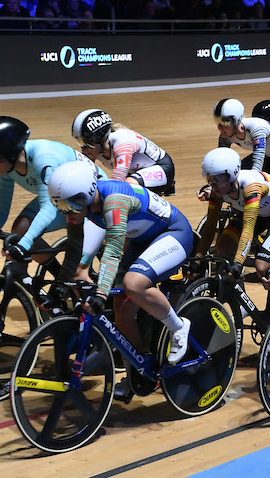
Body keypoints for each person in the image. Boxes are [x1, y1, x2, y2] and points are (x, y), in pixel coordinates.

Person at [48, 159, 195, 386]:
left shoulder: (115, 200)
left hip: (174, 233)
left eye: (69, 206)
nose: (67, 213)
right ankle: (138, 372)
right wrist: (58, 290)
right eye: (60, 206)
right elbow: (74, 252)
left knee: (133, 284)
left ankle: (179, 326)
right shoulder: (80, 205)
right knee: (122, 309)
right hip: (142, 239)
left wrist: (101, 294)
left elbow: (113, 252)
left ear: (86, 196)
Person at [0, 115, 103, 275]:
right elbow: (0, 209)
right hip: (62, 197)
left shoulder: (44, 159)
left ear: (11, 153)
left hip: (89, 199)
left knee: (76, 274)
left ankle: (69, 281)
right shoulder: (5, 166)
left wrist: (23, 246)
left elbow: (49, 208)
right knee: (20, 228)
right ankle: (57, 276)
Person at [197, 147, 270, 322]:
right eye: (210, 180)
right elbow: (209, 227)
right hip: (257, 214)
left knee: (262, 267)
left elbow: (248, 228)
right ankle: (242, 304)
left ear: (231, 176)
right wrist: (199, 258)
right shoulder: (218, 191)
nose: (213, 186)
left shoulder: (252, 187)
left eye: (217, 180)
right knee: (224, 246)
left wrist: (238, 263)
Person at [72, 108, 175, 195]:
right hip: (134, 171)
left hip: (161, 168)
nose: (83, 149)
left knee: (126, 188)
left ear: (100, 139)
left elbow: (117, 184)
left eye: (86, 144)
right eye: (80, 143)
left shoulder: (122, 144)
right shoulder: (96, 147)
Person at [214, 97, 270, 192]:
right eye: (217, 121)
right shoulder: (225, 136)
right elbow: (222, 166)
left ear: (235, 121)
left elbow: (257, 168)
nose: (219, 127)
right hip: (266, 157)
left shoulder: (257, 129)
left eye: (224, 122)